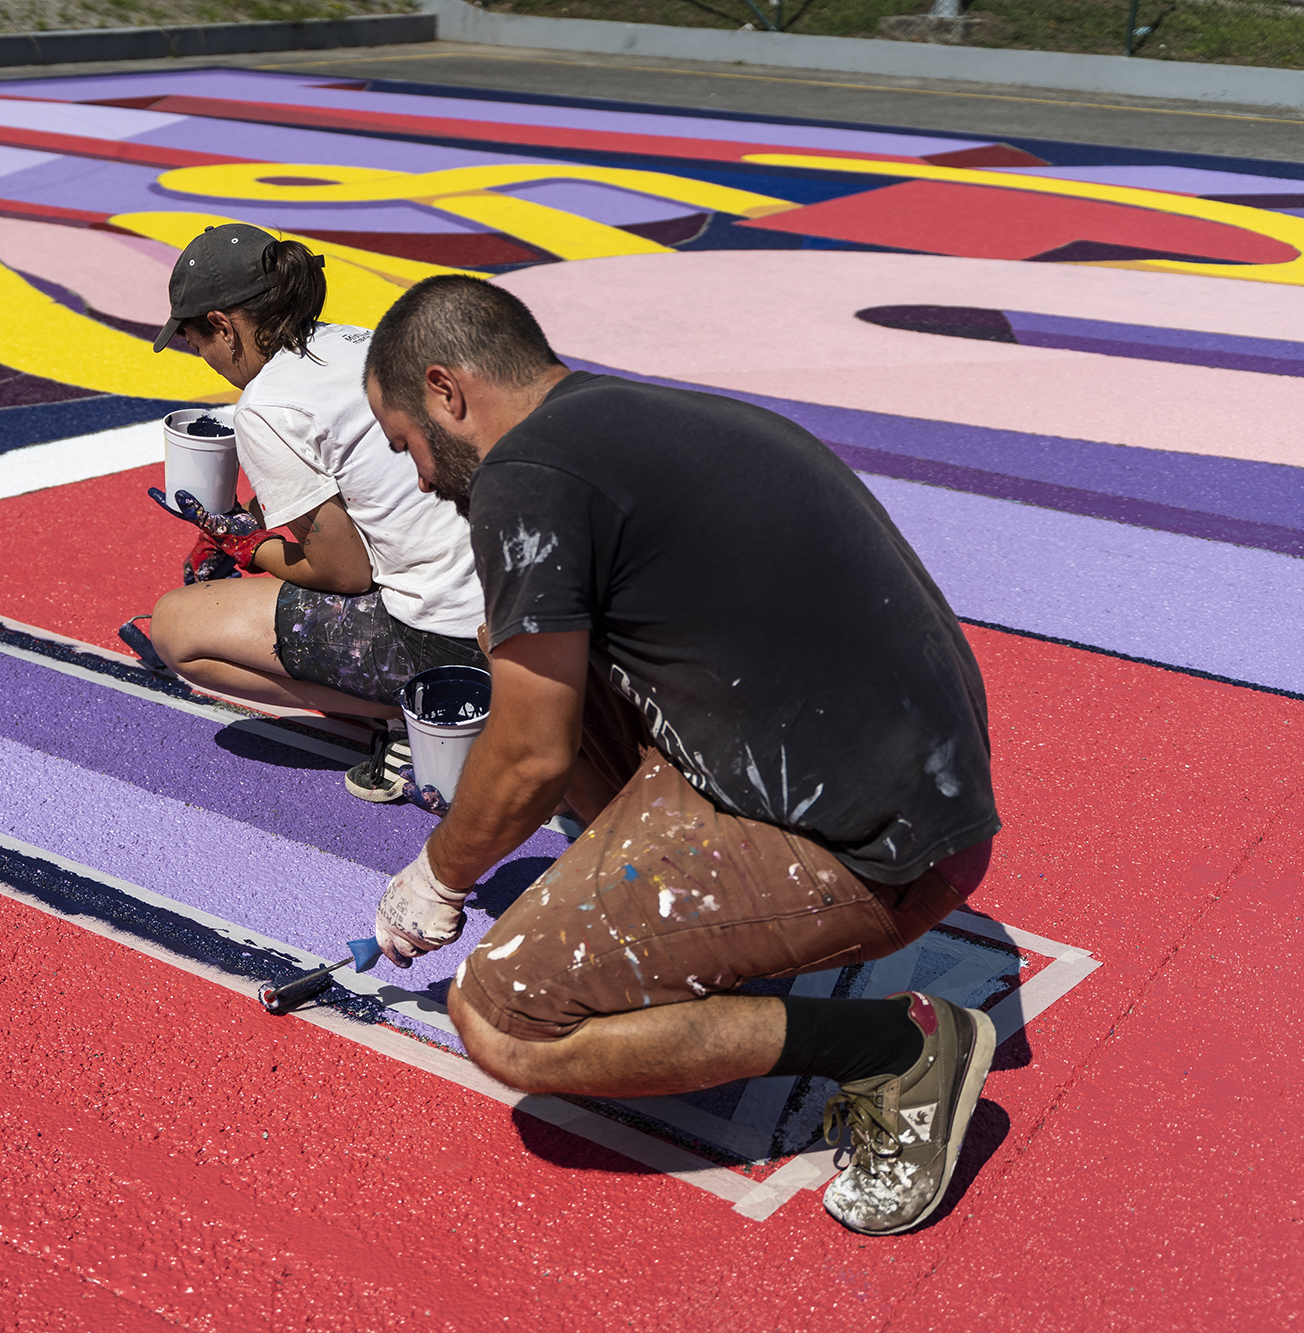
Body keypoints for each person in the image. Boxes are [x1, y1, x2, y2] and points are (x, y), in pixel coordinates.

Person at [359, 275, 1003, 1237]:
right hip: (905, 777)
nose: (418, 477)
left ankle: (895, 1048)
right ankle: (700, 940)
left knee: (502, 1014)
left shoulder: (522, 476)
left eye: (406, 442)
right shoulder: (623, 418)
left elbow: (532, 755)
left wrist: (437, 875)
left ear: (448, 392)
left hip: (881, 846)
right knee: (528, 654)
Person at [141, 224, 486, 801]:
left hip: (449, 640)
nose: (200, 356)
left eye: (196, 340)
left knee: (178, 627)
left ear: (225, 326)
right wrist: (252, 519)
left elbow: (343, 572)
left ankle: (416, 713)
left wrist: (246, 547)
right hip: (521, 614)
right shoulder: (358, 341)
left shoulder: (268, 406)